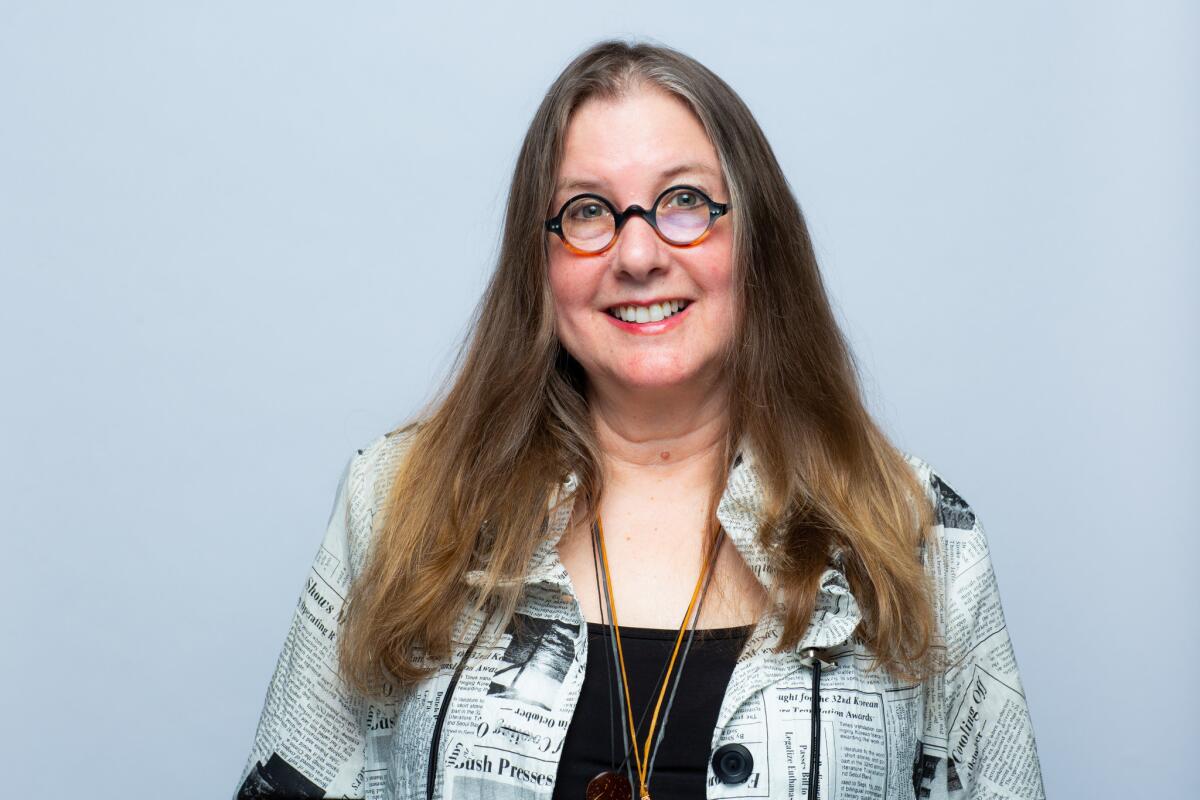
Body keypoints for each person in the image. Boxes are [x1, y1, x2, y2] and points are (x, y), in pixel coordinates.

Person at [234, 39, 1045, 800]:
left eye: (684, 201)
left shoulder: (916, 532)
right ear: (539, 262)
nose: (637, 254)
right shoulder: (393, 499)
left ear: (756, 237)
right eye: (588, 211)